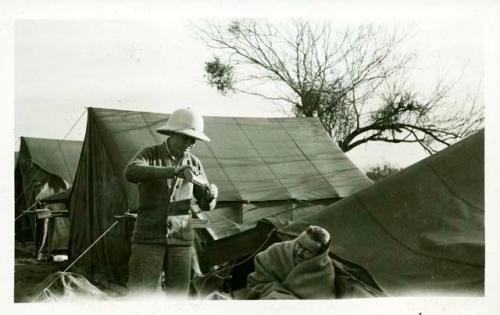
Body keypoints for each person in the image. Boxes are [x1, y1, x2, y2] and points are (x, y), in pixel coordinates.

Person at [124, 107, 218, 297]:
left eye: (193, 139)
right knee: (142, 294)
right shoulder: (149, 154)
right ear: (172, 133)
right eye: (186, 137)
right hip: (148, 238)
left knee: (178, 297)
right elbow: (131, 172)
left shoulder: (195, 163)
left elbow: (205, 203)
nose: (190, 143)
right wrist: (173, 171)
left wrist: (210, 196)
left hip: (181, 241)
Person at [247, 225, 336, 299]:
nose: (299, 252)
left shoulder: (325, 271)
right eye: (299, 245)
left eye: (307, 251)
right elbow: (256, 283)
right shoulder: (277, 250)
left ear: (318, 256)